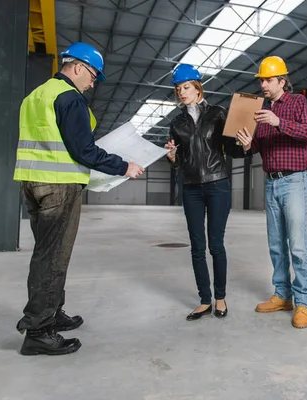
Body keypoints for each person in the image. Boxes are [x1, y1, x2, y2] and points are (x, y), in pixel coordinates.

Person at [13, 42, 144, 356]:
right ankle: (39, 331)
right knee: (53, 258)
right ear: (77, 67)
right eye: (94, 74)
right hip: (59, 185)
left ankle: (52, 312)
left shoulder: (36, 96)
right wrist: (124, 165)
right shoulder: (70, 98)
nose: (93, 82)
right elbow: (83, 151)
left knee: (48, 253)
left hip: (33, 183)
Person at [236, 56, 307, 329]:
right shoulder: (261, 110)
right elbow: (261, 145)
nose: (263, 84)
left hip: (294, 181)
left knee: (299, 245)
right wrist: (249, 144)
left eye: (268, 80)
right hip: (271, 182)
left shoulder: (297, 103)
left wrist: (278, 121)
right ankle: (282, 295)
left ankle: (303, 303)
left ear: (282, 81)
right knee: (276, 245)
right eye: (261, 80)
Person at [165, 63, 247, 321]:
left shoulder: (218, 114)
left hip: (217, 184)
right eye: (178, 88)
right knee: (197, 247)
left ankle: (220, 297)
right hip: (190, 187)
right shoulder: (176, 123)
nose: (181, 92)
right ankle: (204, 300)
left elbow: (232, 150)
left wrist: (244, 145)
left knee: (216, 245)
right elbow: (179, 161)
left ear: (198, 87)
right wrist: (172, 158)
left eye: (186, 87)